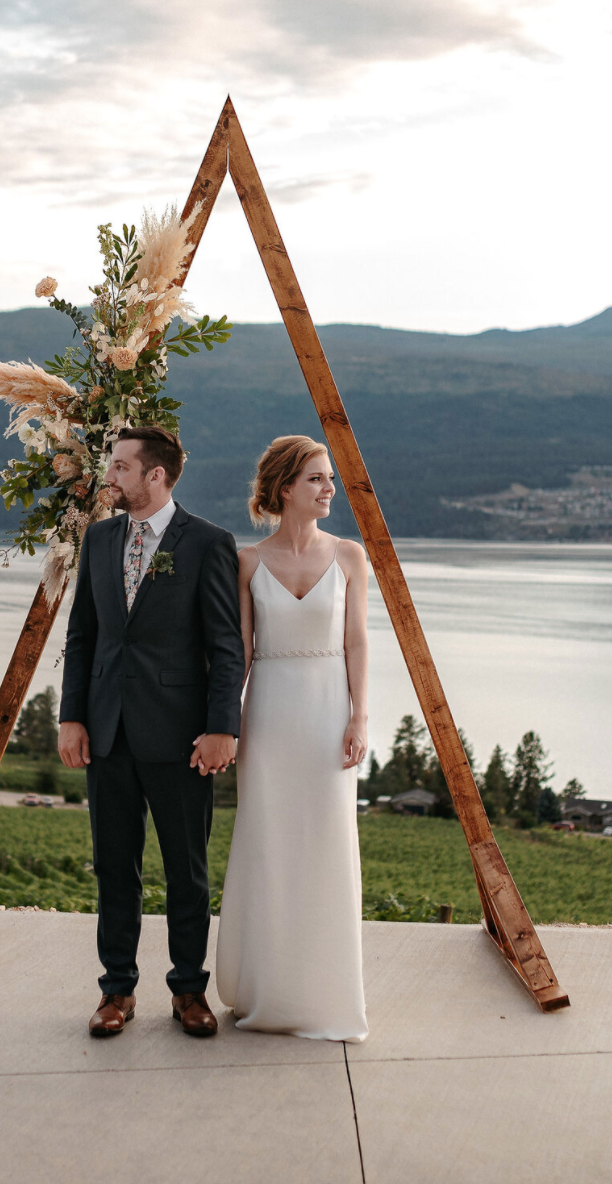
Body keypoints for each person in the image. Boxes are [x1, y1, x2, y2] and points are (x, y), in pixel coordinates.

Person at [59, 425, 244, 1039]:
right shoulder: (101, 539)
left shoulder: (209, 544)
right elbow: (83, 635)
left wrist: (222, 728)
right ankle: (117, 992)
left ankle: (190, 991)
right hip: (107, 732)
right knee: (114, 867)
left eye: (119, 467)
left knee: (186, 871)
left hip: (180, 738)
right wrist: (72, 716)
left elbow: (226, 645)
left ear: (155, 475)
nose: (108, 477)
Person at [215, 435, 371, 1041]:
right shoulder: (248, 562)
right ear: (285, 489)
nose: (330, 488)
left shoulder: (351, 556)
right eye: (316, 479)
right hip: (271, 719)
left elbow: (357, 642)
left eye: (329, 479)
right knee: (270, 848)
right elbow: (242, 656)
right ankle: (268, 991)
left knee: (328, 846)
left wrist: (359, 716)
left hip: (329, 713)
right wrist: (224, 726)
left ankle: (326, 995)